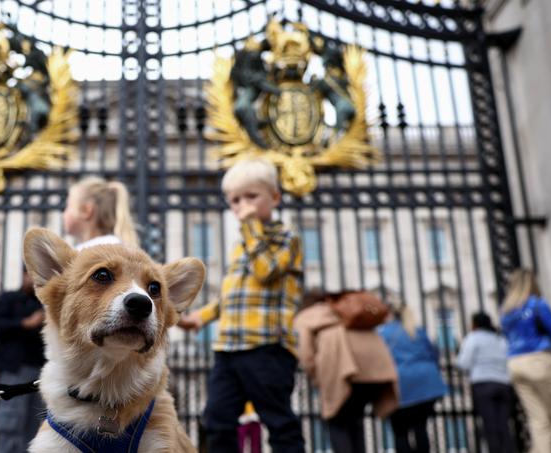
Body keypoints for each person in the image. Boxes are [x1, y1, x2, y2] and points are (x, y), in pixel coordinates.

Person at [178, 158, 305, 453]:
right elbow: (231, 295)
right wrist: (199, 317)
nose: (241, 206)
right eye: (235, 200)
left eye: (251, 196)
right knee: (216, 420)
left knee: (279, 422)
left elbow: (266, 270)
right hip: (229, 348)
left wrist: (250, 228)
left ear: (275, 197)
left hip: (267, 346)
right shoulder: (242, 244)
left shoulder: (287, 239)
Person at [294, 290, 399, 453]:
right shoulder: (342, 309)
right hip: (374, 368)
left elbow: (306, 353)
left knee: (337, 421)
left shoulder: (306, 317)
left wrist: (316, 378)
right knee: (355, 420)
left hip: (343, 369)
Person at [500, 268, 551, 453]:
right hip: (538, 361)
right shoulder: (536, 304)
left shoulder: (506, 312)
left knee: (539, 422)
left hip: (515, 364)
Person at [0, 267, 46, 453]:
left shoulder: (44, 305)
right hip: (14, 368)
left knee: (33, 424)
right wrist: (26, 323)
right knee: (11, 421)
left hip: (39, 372)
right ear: (24, 275)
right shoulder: (10, 298)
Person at [379, 304, 447, 453]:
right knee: (420, 429)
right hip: (427, 384)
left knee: (400, 433)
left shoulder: (383, 332)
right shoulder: (417, 331)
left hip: (401, 386)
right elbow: (434, 354)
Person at [456, 311, 514, 453]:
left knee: (490, 426)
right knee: (504, 425)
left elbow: (463, 363)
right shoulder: (500, 339)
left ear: (474, 324)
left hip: (483, 384)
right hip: (503, 383)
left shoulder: (473, 338)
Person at [63, 176, 139, 250]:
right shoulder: (112, 246)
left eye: (68, 206)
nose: (64, 214)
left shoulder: (99, 251)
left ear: (87, 210)